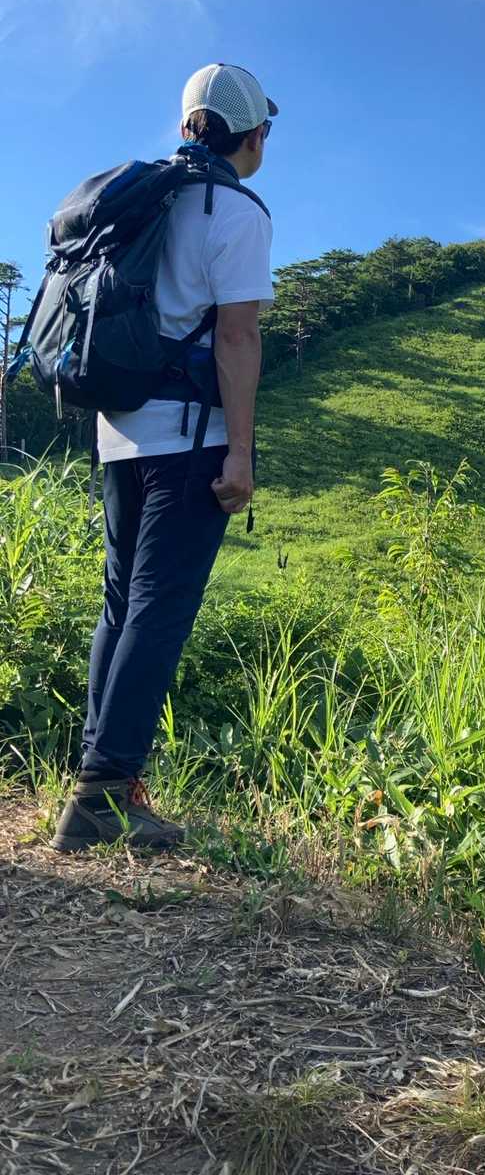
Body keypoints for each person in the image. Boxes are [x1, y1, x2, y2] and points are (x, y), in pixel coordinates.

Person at [51, 63, 277, 852]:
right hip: (190, 438)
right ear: (253, 136)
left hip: (118, 430)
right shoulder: (236, 212)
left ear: (187, 127)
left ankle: (97, 781)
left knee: (121, 605)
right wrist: (240, 455)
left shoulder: (144, 197)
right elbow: (238, 337)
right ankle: (105, 795)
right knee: (159, 608)